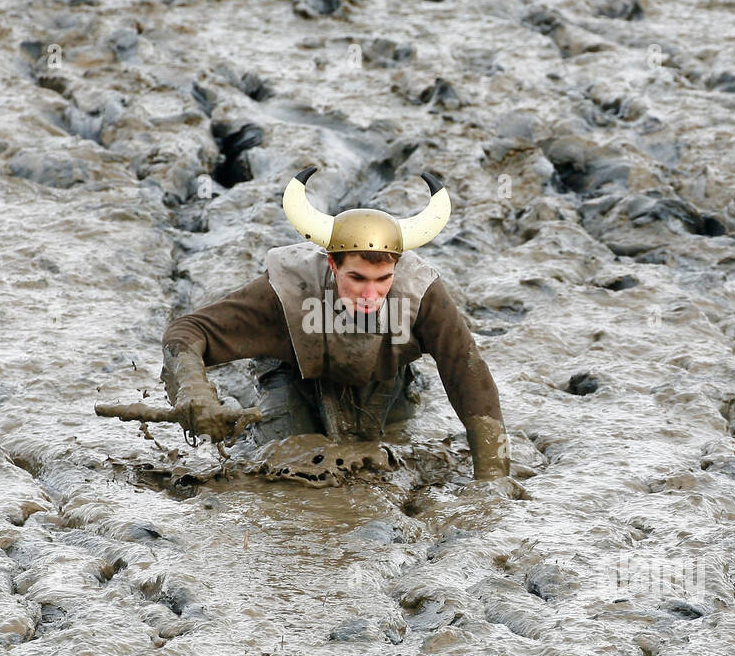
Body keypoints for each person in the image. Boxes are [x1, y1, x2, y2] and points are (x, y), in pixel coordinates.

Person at [160, 167, 510, 479]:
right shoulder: (287, 287)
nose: (371, 295)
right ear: (332, 264)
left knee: (391, 462)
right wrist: (193, 392)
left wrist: (493, 479)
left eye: (382, 279)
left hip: (385, 382)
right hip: (295, 380)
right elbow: (187, 331)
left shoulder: (422, 292)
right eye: (357, 278)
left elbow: (467, 373)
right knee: (290, 468)